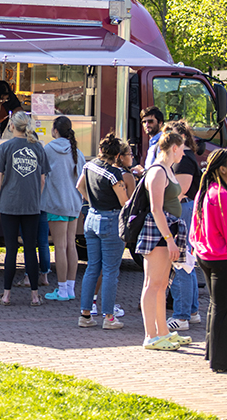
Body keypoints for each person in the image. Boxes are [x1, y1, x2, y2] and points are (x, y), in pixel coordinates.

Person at [136, 130, 192, 350]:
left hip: (168, 230)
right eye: (183, 148)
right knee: (152, 284)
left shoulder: (167, 169)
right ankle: (150, 335)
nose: (184, 153)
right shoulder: (158, 171)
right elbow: (155, 209)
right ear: (174, 148)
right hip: (158, 232)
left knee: (161, 285)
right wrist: (169, 239)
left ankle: (163, 332)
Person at [192, 148, 227, 372]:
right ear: (222, 169)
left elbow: (196, 225)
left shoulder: (205, 191)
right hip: (222, 257)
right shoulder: (222, 195)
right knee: (221, 308)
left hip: (205, 254)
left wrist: (198, 246)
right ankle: (223, 361)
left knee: (215, 305)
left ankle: (212, 353)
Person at [0, 111, 50, 306]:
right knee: (30, 248)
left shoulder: (5, 148)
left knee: (11, 249)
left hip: (9, 204)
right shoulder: (39, 148)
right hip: (32, 205)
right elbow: (42, 179)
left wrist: (2, 198)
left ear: (11, 126)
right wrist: (35, 196)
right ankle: (35, 296)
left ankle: (7, 295)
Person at [76, 133, 129, 328]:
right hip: (111, 220)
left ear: (100, 150)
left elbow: (79, 186)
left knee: (92, 268)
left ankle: (85, 314)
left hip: (91, 218)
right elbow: (124, 202)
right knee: (110, 271)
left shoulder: (89, 166)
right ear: (117, 156)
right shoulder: (114, 174)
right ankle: (108, 317)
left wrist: (92, 201)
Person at [41, 116, 87, 302]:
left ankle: (60, 289)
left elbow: (42, 175)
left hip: (55, 203)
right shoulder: (78, 151)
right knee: (71, 244)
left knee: (59, 246)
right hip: (73, 204)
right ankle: (70, 288)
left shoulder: (48, 150)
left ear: (55, 130)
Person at [166, 120, 203, 332]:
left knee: (181, 262)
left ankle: (182, 315)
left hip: (183, 210)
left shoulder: (184, 161)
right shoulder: (187, 158)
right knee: (186, 262)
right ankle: (192, 311)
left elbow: (181, 191)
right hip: (186, 209)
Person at [132, 106, 164, 174]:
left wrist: (142, 172)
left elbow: (161, 171)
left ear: (160, 123)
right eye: (144, 122)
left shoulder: (163, 143)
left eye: (150, 121)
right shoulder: (152, 143)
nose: (146, 124)